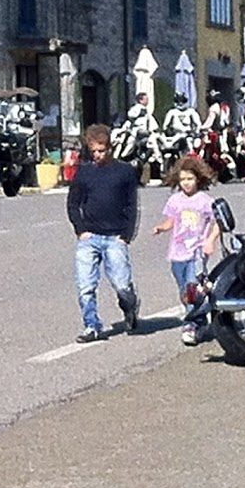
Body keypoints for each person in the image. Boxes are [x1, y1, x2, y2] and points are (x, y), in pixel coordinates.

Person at [67, 123, 140, 342]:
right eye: (94, 151)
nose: (97, 155)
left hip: (115, 237)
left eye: (101, 150)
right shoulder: (84, 172)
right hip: (90, 237)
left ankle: (130, 308)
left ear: (110, 148)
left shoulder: (125, 172)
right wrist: (81, 230)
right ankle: (92, 325)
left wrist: (126, 235)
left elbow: (132, 205)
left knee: (122, 285)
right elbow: (73, 203)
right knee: (85, 285)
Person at [152, 154, 221, 346]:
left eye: (190, 178)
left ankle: (191, 325)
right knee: (185, 292)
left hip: (197, 252)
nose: (186, 183)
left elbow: (219, 223)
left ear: (198, 178)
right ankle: (203, 317)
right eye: (182, 179)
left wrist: (210, 241)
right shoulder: (175, 200)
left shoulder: (205, 201)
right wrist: (161, 228)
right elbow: (171, 220)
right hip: (177, 253)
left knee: (192, 288)